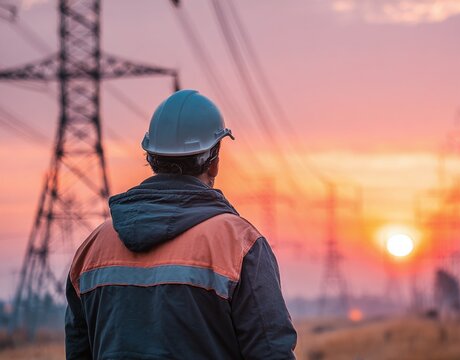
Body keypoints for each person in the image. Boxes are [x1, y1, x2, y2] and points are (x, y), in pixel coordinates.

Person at [65, 89, 297, 359]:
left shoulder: (93, 247)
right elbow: (271, 352)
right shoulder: (240, 246)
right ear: (214, 164)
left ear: (150, 158)